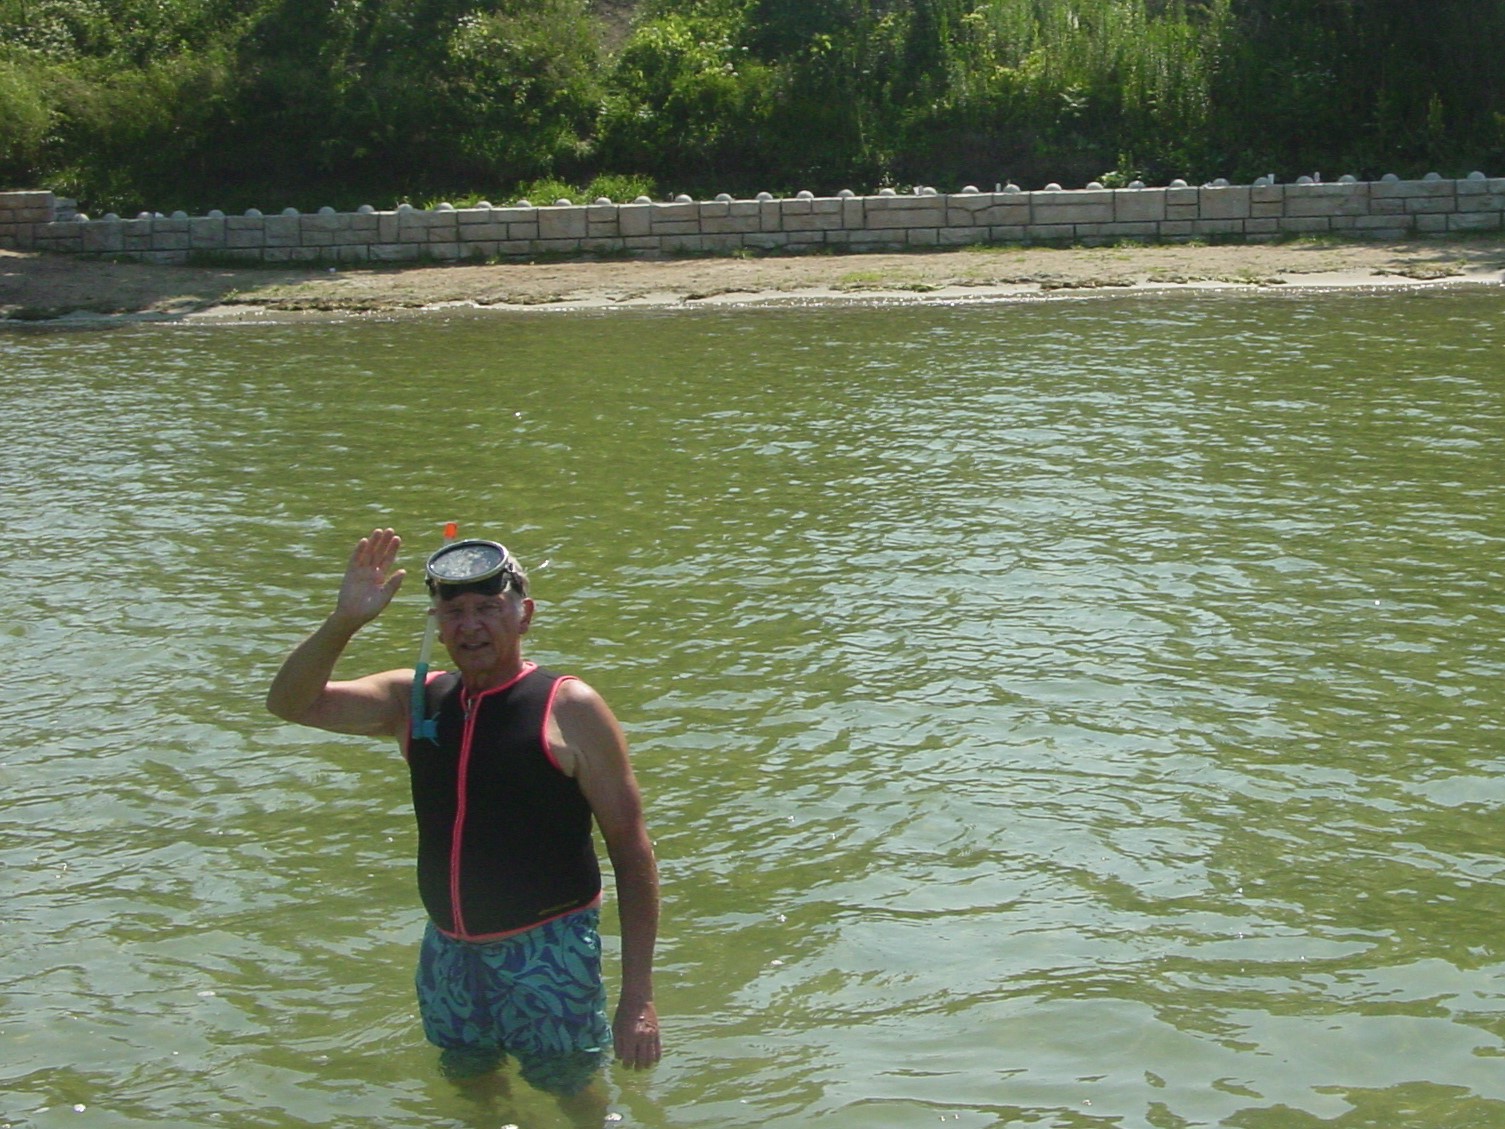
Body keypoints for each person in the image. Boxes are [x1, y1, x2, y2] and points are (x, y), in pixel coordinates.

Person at [266, 527, 660, 1102]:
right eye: (453, 612)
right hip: (448, 950)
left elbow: (632, 848)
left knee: (573, 1092)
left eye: (486, 609)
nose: (470, 625)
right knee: (471, 1081)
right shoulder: (415, 701)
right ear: (436, 624)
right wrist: (345, 620)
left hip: (548, 951)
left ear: (523, 615)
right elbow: (290, 703)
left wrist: (637, 997)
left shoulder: (568, 707)